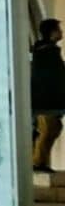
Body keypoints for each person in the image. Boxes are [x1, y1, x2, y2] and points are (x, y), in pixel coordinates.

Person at [32, 18, 65, 175]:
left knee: (54, 128)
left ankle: (41, 161)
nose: (61, 32)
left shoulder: (48, 51)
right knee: (48, 129)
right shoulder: (46, 52)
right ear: (52, 32)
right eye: (58, 29)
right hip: (46, 100)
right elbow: (51, 77)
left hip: (51, 100)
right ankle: (37, 162)